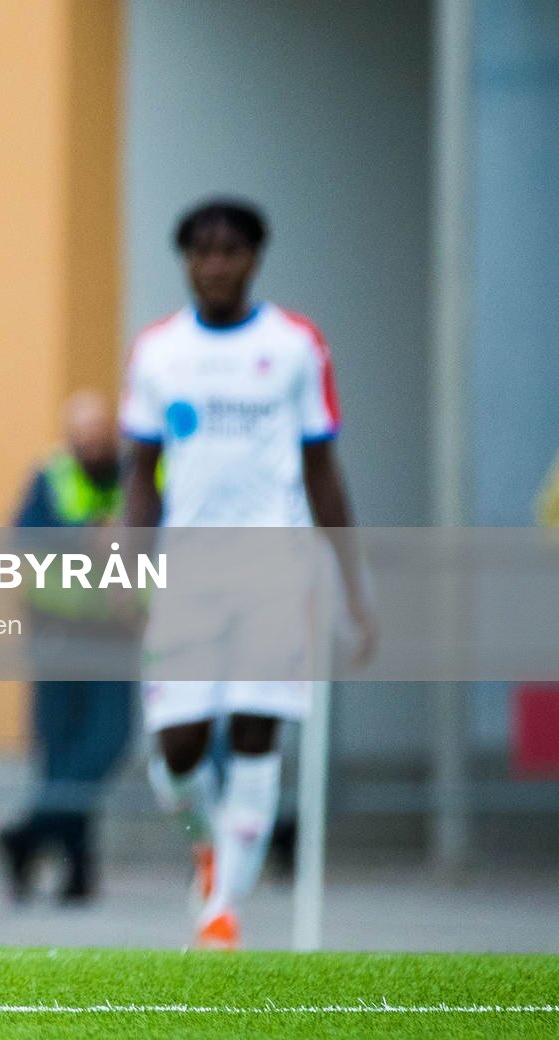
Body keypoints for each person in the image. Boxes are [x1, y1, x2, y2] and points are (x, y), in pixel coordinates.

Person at [121, 198, 374, 949]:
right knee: (178, 753)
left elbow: (322, 468)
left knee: (259, 733)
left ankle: (221, 915)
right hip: (188, 574)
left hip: (275, 566)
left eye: (231, 250)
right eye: (202, 251)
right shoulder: (159, 352)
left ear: (256, 257)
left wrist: (354, 587)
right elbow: (143, 474)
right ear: (186, 262)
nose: (217, 264)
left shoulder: (296, 346)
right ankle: (209, 849)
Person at [0, 390, 135, 905]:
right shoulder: (50, 477)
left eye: (102, 433)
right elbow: (26, 541)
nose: (94, 443)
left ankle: (26, 836)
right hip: (57, 631)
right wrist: (87, 537)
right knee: (59, 749)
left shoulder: (138, 478)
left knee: (108, 741)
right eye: (85, 435)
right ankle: (76, 874)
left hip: (117, 634)